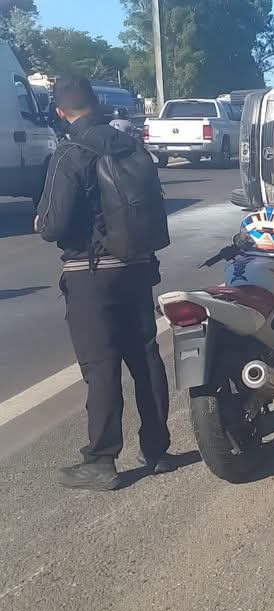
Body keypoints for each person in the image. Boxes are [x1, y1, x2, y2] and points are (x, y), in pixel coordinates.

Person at [35, 76, 173, 490]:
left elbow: (54, 224)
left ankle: (100, 459)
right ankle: (158, 450)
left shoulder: (69, 153)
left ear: (60, 112)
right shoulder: (130, 144)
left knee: (102, 366)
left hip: (90, 275)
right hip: (137, 265)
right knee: (145, 357)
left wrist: (42, 221)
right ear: (95, 103)